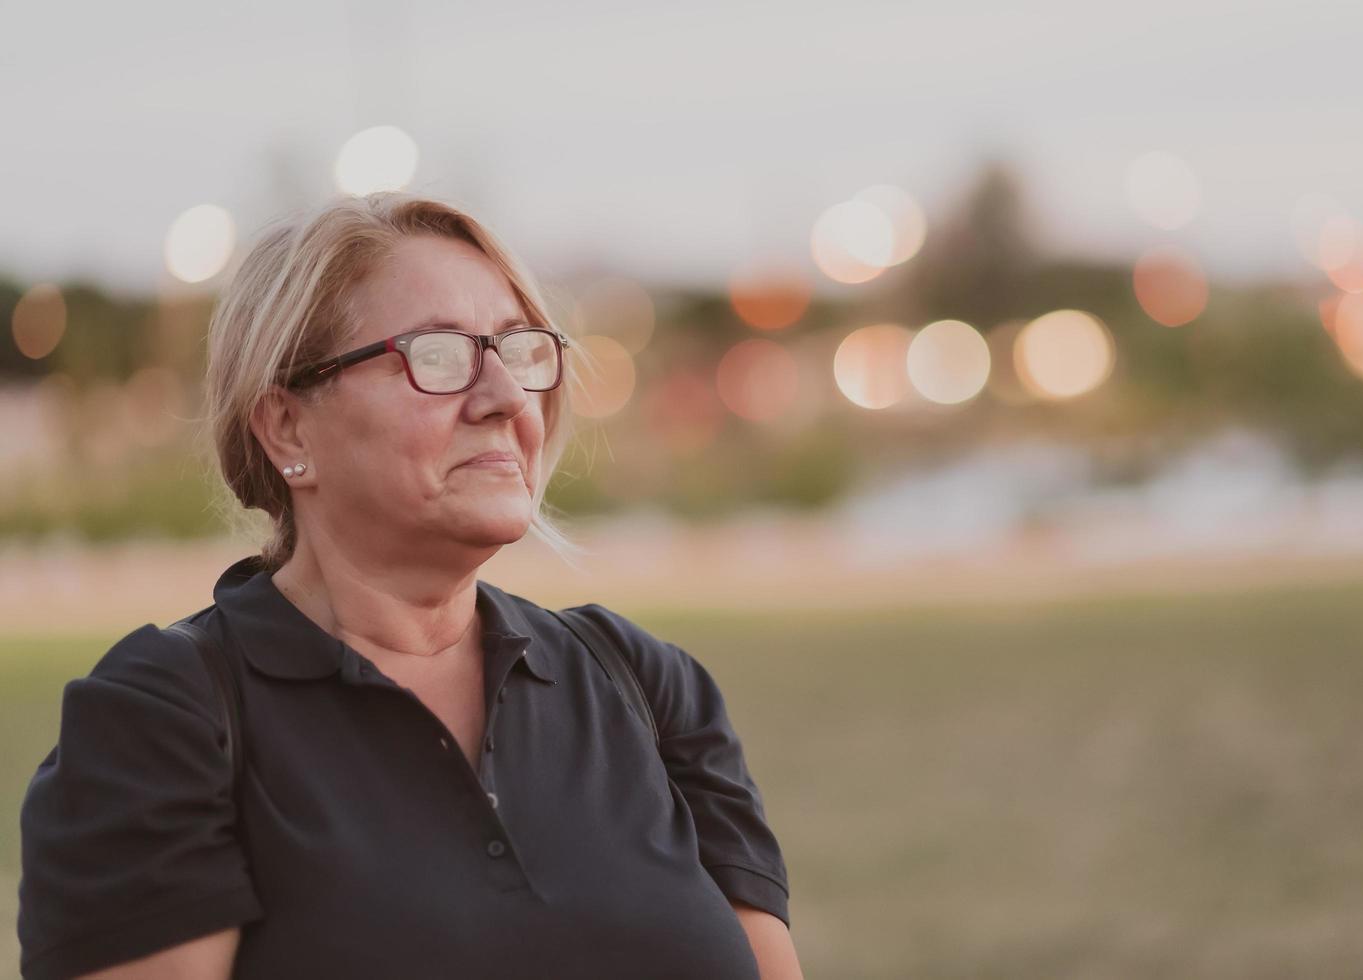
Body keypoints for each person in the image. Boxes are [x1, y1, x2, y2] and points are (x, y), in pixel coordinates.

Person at [17, 193, 803, 979]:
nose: (504, 399)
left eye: (519, 351)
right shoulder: (158, 722)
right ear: (287, 425)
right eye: (437, 355)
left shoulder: (645, 686)